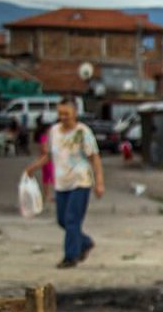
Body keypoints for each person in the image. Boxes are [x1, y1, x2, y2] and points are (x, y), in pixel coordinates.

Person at [24, 101, 104, 268]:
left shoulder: (83, 132)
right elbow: (48, 155)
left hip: (80, 181)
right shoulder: (54, 131)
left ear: (75, 113)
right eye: (60, 113)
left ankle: (70, 257)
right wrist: (33, 168)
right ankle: (85, 242)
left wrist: (99, 182)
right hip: (61, 183)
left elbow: (94, 157)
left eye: (66, 113)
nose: (63, 117)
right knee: (62, 220)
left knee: (72, 219)